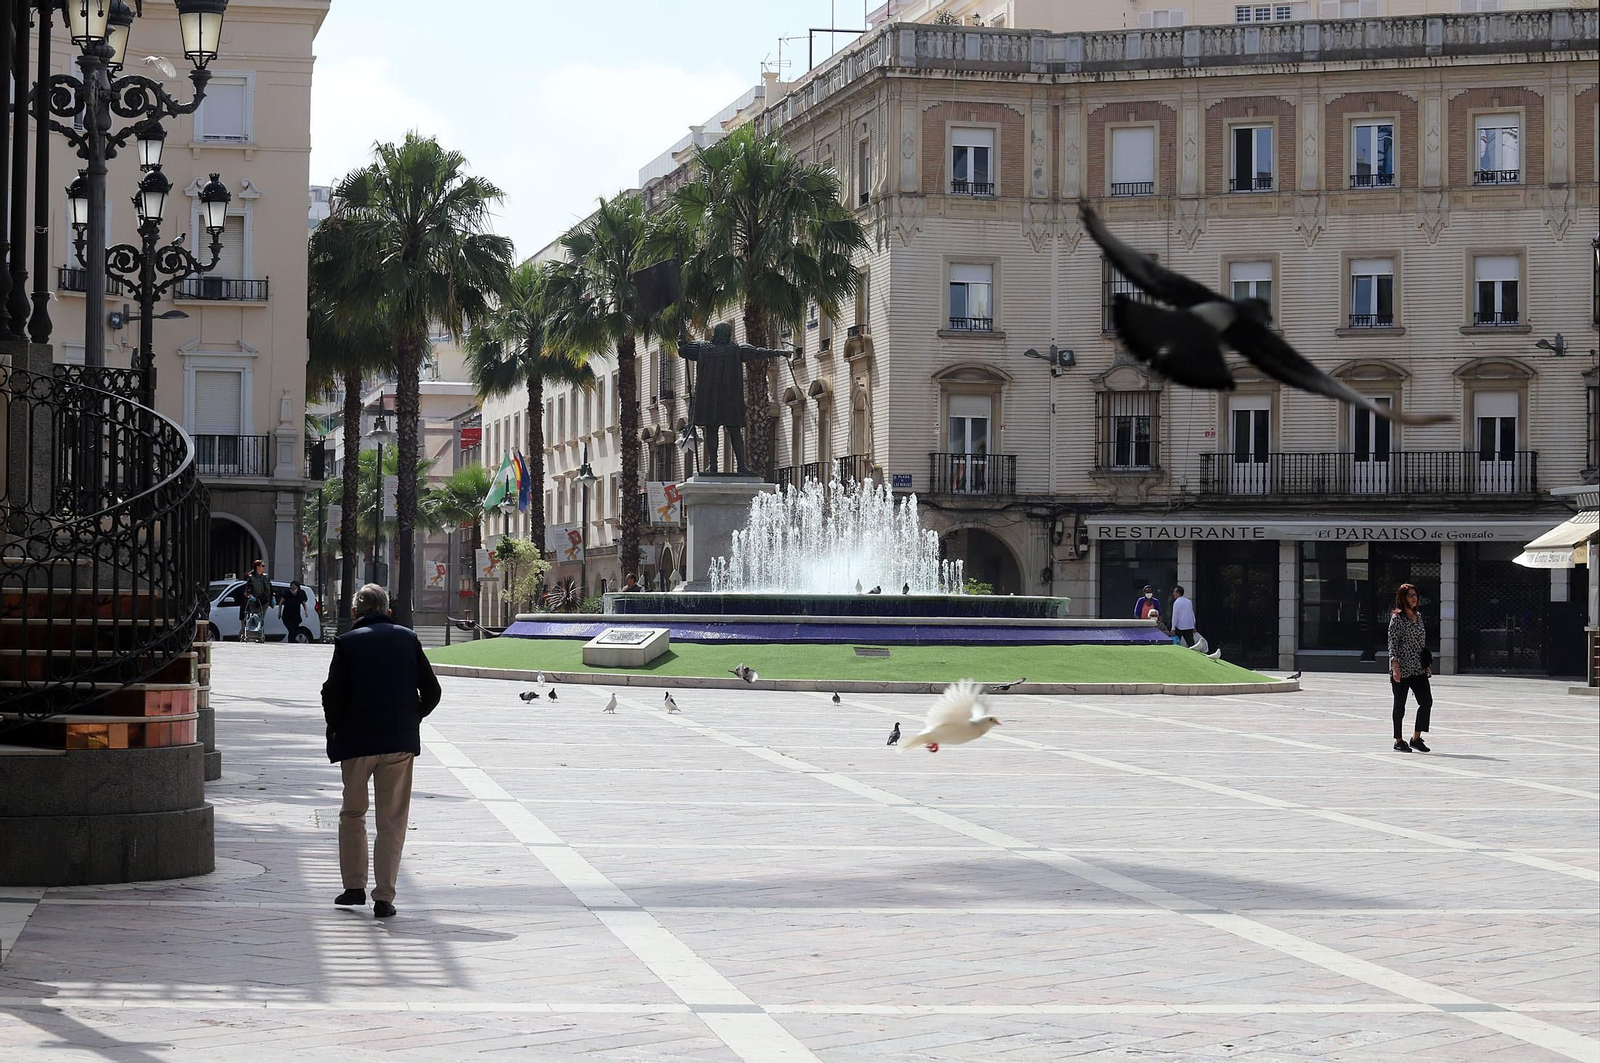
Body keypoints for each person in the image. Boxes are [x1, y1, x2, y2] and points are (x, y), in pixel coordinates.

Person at [321, 583, 442, 918]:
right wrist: (410, 718)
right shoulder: (408, 639)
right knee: (392, 820)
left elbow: (332, 693)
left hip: (357, 742)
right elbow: (432, 691)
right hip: (398, 744)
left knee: (352, 813)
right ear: (388, 610)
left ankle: (353, 887)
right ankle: (384, 896)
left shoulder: (347, 642)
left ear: (355, 611)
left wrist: (336, 727)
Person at [1387, 582, 1433, 753]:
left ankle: (1416, 738)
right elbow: (1392, 644)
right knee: (1400, 705)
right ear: (1403, 598)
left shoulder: (1418, 616)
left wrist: (1427, 664)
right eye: (1410, 595)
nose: (1414, 598)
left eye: (1415, 595)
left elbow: (1421, 643)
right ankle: (1398, 740)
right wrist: (1395, 666)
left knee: (1426, 702)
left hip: (1418, 668)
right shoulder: (1397, 619)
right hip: (1402, 668)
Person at [240, 559, 273, 636]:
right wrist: (251, 596)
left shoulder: (266, 577)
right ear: (257, 567)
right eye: (262, 566)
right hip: (254, 602)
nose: (264, 568)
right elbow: (248, 590)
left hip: (264, 601)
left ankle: (259, 633)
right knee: (254, 617)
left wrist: (272, 597)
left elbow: (270, 588)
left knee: (261, 618)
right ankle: (252, 633)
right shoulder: (251, 578)